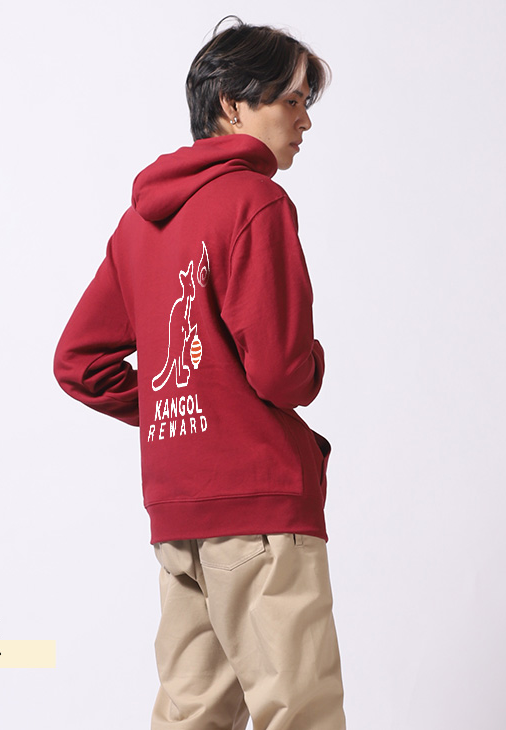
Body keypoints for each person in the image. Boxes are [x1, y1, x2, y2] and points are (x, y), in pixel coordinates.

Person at [54, 16, 346, 730]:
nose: (305, 121)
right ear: (232, 104)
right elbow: (281, 371)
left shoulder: (140, 224)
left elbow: (79, 362)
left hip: (179, 518)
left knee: (193, 717)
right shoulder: (255, 201)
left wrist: (176, 407)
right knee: (299, 714)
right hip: (260, 508)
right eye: (292, 100)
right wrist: (313, 363)